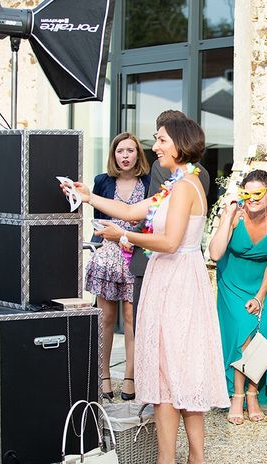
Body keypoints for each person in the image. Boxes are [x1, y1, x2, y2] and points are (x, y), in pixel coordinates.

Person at [69, 116, 229, 464]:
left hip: (178, 281)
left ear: (180, 144)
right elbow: (129, 209)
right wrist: (88, 197)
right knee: (170, 370)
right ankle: (178, 458)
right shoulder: (176, 184)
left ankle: (180, 459)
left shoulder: (187, 186)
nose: (154, 147)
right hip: (167, 278)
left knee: (173, 367)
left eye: (161, 140)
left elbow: (170, 242)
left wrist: (122, 236)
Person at [209, 170, 267, 424]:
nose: (252, 199)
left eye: (259, 194)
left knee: (261, 335)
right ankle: (236, 395)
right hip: (232, 279)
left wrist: (261, 296)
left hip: (264, 280)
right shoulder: (235, 215)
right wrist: (228, 216)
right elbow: (214, 253)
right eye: (247, 193)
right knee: (242, 332)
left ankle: (253, 394)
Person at [129, 110, 210, 334]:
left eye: (161, 139)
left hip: (163, 259)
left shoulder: (174, 176)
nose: (155, 146)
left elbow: (156, 211)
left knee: (150, 330)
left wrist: (128, 237)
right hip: (189, 264)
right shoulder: (201, 173)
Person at [86, 132, 150, 401]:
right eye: (120, 151)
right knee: (106, 319)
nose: (125, 156)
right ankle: (103, 376)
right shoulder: (102, 181)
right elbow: (97, 220)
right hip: (108, 256)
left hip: (135, 253)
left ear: (138, 154)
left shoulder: (148, 182)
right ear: (113, 155)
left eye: (130, 150)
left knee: (133, 320)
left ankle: (130, 377)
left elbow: (151, 220)